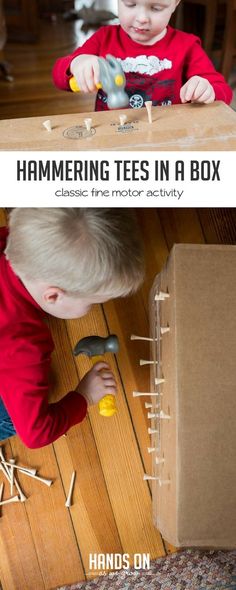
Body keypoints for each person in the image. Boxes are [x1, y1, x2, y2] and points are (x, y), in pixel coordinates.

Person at [0, 208, 144, 449]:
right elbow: (36, 434)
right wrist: (84, 396)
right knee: (12, 416)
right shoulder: (25, 349)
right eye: (93, 302)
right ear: (53, 296)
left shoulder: (11, 238)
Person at [52, 0, 233, 111]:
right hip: (113, 137)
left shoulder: (187, 46)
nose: (142, 18)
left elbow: (224, 91)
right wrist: (77, 63)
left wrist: (208, 90)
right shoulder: (103, 38)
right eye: (130, 4)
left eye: (156, 8)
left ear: (175, 3)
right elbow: (59, 78)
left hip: (168, 136)